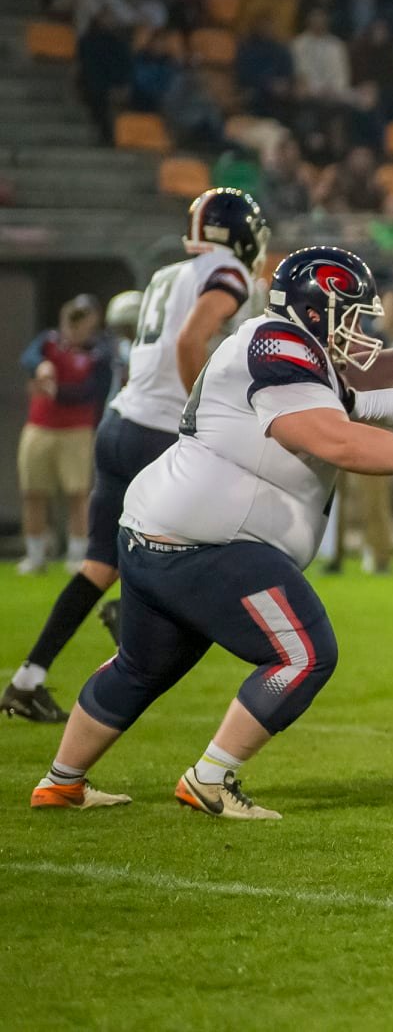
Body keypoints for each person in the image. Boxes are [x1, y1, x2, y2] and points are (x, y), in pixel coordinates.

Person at [28, 247, 393, 817]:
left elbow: (383, 400)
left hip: (157, 533)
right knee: (304, 653)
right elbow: (335, 438)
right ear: (315, 311)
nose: (358, 329)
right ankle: (211, 778)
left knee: (139, 667)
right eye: (348, 315)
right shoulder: (278, 346)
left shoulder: (286, 350)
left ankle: (61, 781)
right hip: (208, 542)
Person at [4, 191, 267, 724]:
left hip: (118, 423)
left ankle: (26, 680)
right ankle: (134, 621)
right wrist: (207, 411)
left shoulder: (170, 273)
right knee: (218, 541)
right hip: (160, 431)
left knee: (100, 564)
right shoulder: (229, 273)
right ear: (238, 233)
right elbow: (191, 340)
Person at [16, 296, 110, 576]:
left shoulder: (100, 352)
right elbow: (29, 357)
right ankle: (34, 556)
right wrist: (40, 368)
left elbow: (95, 390)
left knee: (77, 494)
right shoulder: (49, 342)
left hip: (76, 430)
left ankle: (77, 555)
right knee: (33, 492)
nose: (76, 327)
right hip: (40, 426)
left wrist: (58, 393)